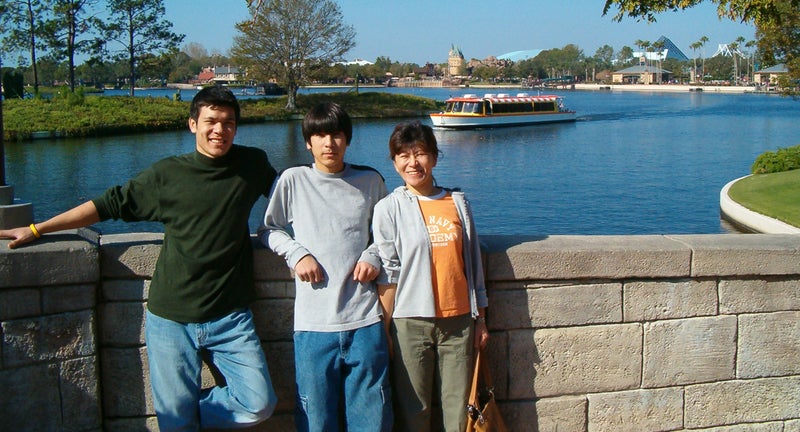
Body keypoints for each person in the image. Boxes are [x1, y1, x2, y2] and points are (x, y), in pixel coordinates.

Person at [0, 86, 279, 431]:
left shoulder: (252, 164)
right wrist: (38, 228)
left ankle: (187, 414)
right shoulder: (166, 176)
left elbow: (294, 195)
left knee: (258, 403)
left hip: (231, 317)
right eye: (211, 121)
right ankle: (181, 419)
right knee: (176, 426)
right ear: (193, 124)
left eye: (228, 123)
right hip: (171, 318)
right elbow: (107, 205)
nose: (219, 131)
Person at [258, 101, 392, 431]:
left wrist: (372, 255)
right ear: (308, 142)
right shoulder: (292, 179)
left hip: (365, 320)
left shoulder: (370, 180)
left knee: (371, 420)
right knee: (315, 421)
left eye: (335, 135)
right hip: (313, 326)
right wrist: (296, 253)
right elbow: (268, 229)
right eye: (319, 135)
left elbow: (388, 234)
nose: (328, 143)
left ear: (347, 139)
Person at [373, 120, 489, 432]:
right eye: (404, 155)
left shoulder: (458, 202)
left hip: (459, 320)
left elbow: (474, 264)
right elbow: (389, 271)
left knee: (458, 408)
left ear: (434, 157)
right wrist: (385, 328)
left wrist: (481, 319)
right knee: (414, 410)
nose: (413, 163)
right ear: (395, 162)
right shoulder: (388, 208)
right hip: (410, 321)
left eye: (421, 153)